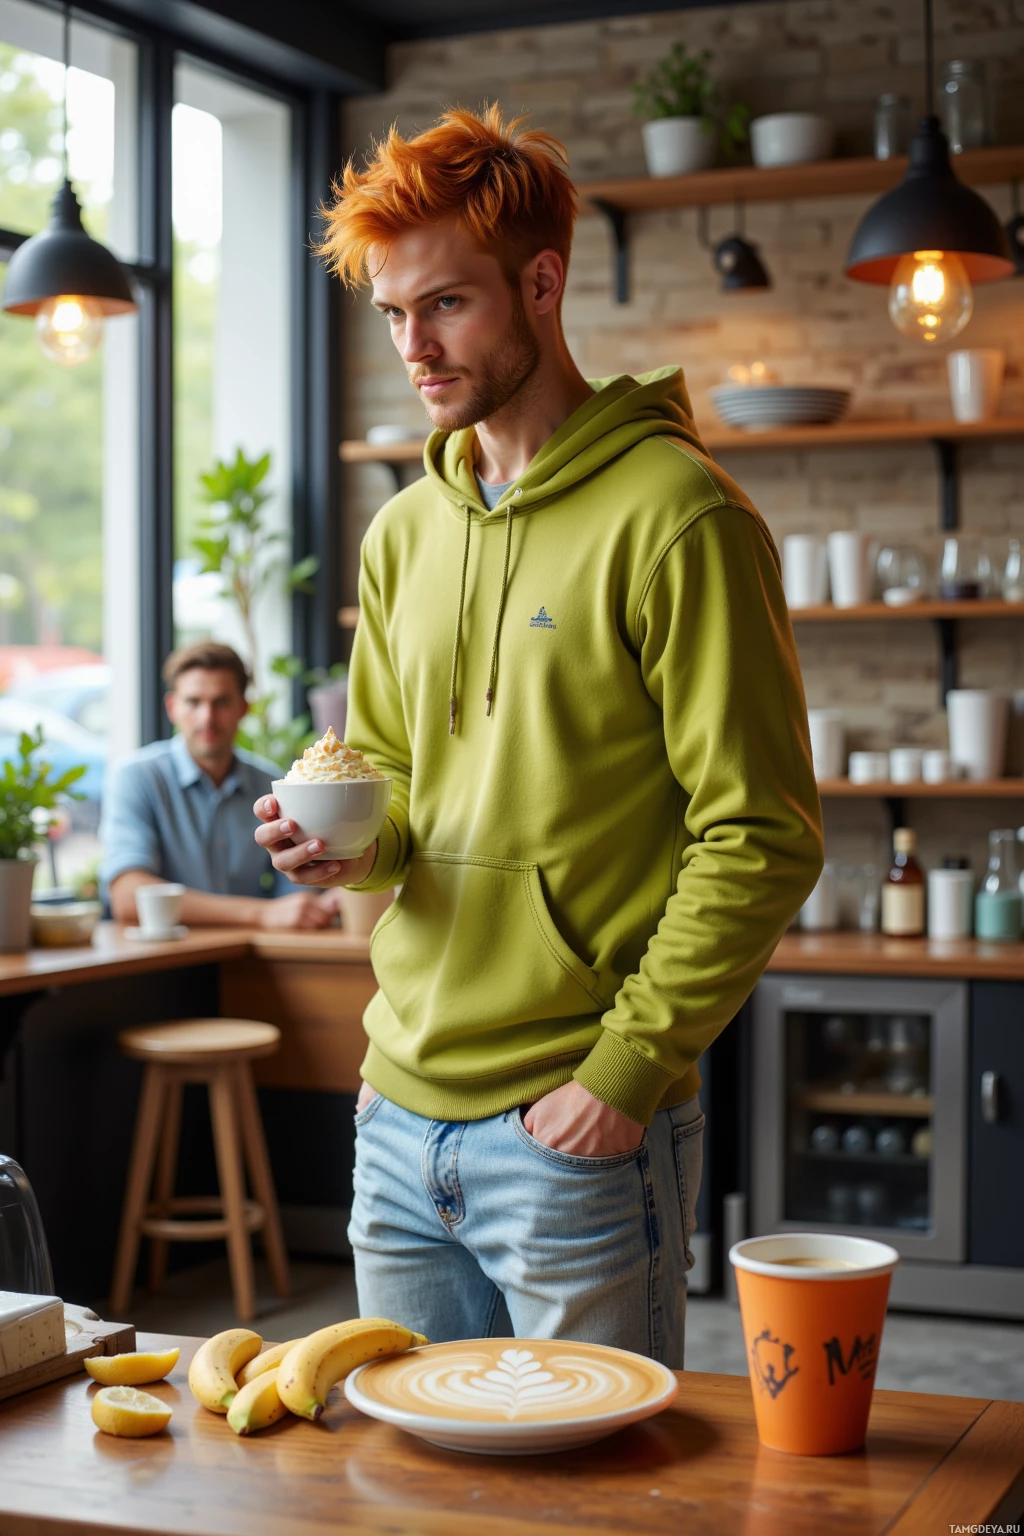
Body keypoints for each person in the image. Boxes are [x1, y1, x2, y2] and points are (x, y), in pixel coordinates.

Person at [255, 107, 823, 1364]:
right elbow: (401, 778)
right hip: (397, 1113)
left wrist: (623, 1077)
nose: (415, 345)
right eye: (394, 314)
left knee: (597, 1495)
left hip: (572, 1123)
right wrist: (349, 846)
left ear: (543, 283)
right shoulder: (403, 532)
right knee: (404, 1490)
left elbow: (762, 834)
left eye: (446, 305)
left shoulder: (680, 516)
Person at [102, 641, 339, 930]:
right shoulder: (137, 778)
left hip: (248, 958)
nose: (208, 718)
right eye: (193, 702)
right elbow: (127, 896)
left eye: (221, 702)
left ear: (243, 708)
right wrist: (260, 914)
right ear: (172, 708)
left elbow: (294, 891)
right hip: (161, 961)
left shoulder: (271, 784)